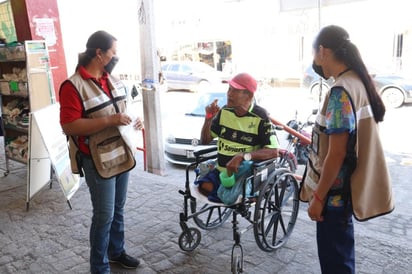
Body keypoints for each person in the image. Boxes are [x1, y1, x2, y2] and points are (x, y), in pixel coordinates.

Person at [300, 25, 394, 274]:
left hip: (334, 197)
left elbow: (337, 153)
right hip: (345, 192)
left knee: (335, 264)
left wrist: (318, 198)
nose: (315, 62)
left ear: (322, 51)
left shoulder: (340, 91)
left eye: (314, 54)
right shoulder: (357, 82)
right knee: (342, 258)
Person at [59, 30, 142, 274]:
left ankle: (116, 252)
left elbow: (124, 110)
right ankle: (99, 266)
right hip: (96, 160)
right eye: (113, 52)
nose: (116, 56)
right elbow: (69, 125)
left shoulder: (112, 79)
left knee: (117, 209)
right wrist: (110, 121)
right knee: (104, 215)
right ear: (99, 53)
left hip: (122, 154)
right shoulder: (73, 86)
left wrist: (136, 121)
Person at [199, 72, 279, 202]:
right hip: (222, 171)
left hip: (244, 174)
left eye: (235, 91)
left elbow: (274, 151)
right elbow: (205, 140)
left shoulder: (261, 116)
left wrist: (243, 156)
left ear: (249, 95)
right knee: (203, 187)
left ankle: (231, 194)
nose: (229, 94)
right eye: (229, 89)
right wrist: (208, 118)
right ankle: (224, 194)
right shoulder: (224, 111)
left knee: (233, 196)